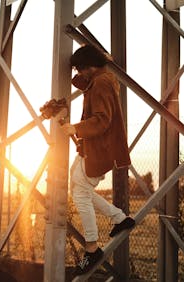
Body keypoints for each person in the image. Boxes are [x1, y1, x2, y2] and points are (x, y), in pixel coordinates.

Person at [60, 44, 136, 275]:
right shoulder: (100, 80)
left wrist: (75, 127)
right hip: (94, 148)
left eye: (80, 69)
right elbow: (83, 84)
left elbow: (103, 120)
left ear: (89, 66)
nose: (78, 74)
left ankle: (92, 249)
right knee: (79, 188)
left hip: (99, 149)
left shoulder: (102, 82)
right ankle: (120, 218)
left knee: (81, 193)